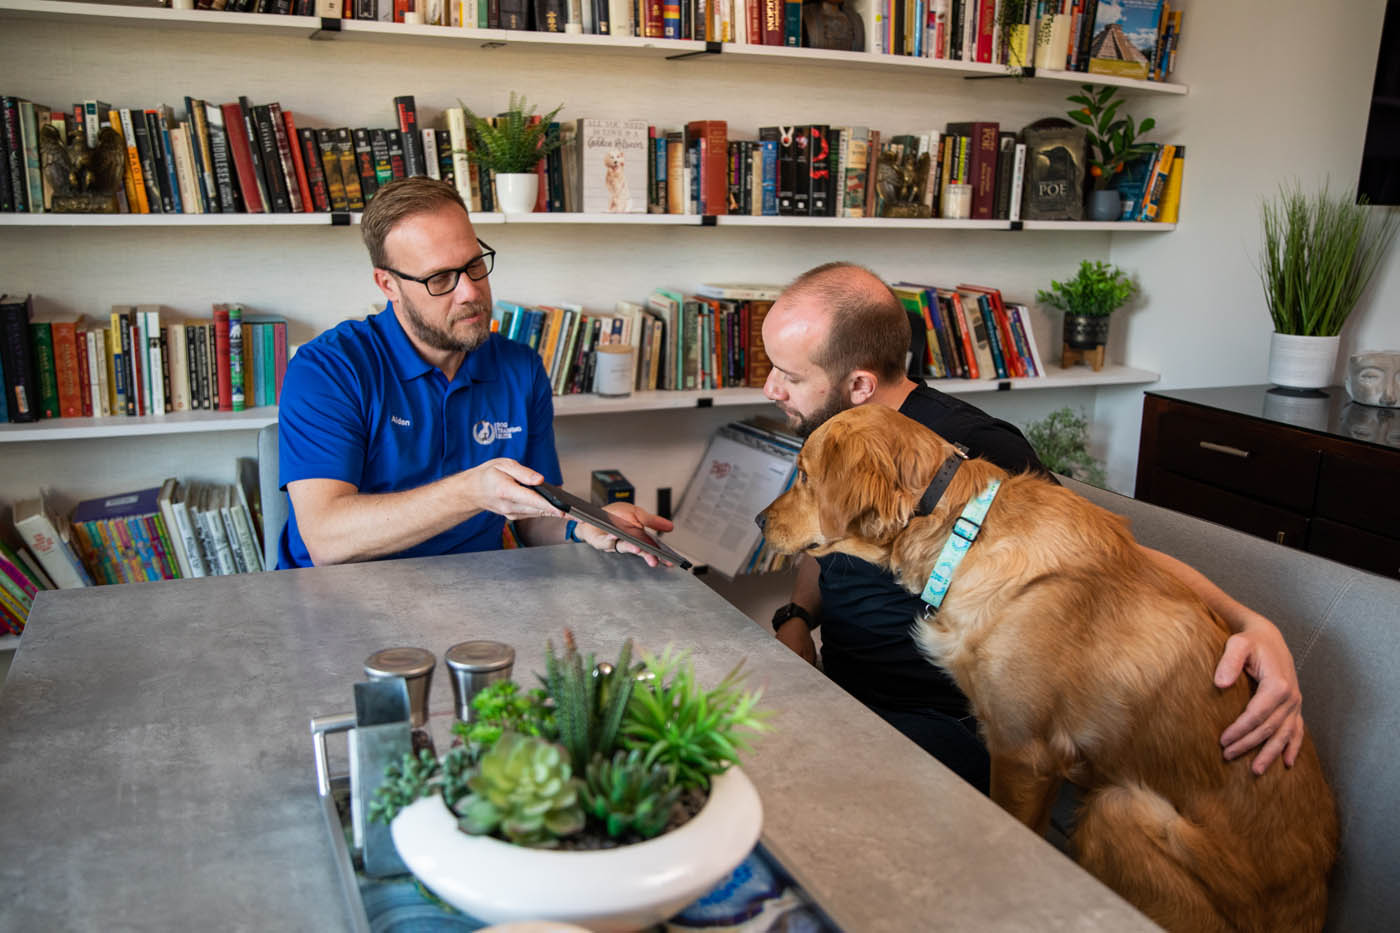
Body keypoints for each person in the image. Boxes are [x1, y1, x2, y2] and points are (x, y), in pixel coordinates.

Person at [761, 262, 1306, 792]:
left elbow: (1103, 558)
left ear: (858, 384)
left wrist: (1251, 622)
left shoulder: (977, 448)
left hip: (941, 718)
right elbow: (830, 537)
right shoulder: (837, 437)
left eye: (788, 375)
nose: (769, 388)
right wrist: (797, 616)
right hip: (842, 683)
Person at [276, 177, 670, 569]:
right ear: (388, 285)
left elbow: (533, 520)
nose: (470, 291)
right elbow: (324, 539)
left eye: (474, 265)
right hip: (338, 605)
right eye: (440, 279)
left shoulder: (520, 367)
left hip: (475, 596)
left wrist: (587, 528)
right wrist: (470, 493)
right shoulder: (328, 369)